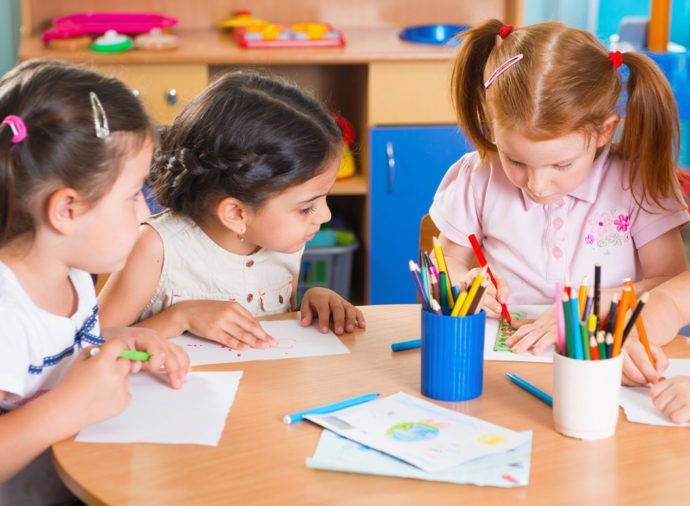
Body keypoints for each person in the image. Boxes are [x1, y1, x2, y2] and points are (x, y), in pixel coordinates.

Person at [429, 20, 689, 354]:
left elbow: (670, 282)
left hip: (604, 362)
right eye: (516, 160)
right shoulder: (479, 174)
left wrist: (588, 307)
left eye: (561, 165)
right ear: (491, 126)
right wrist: (465, 283)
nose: (536, 185)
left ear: (605, 131)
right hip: (503, 362)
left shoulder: (635, 183)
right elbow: (448, 258)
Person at [0, 60, 189, 503]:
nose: (145, 212)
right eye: (132, 196)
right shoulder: (5, 314)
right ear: (67, 210)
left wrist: (114, 340)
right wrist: (68, 406)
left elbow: (51, 357)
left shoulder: (71, 274)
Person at [99, 71, 365, 347]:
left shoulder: (285, 242)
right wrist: (180, 318)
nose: (325, 216)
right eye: (307, 207)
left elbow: (266, 335)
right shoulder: (155, 248)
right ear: (236, 214)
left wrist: (310, 303)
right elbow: (89, 347)